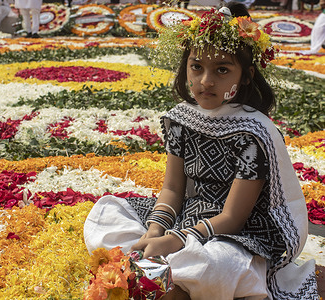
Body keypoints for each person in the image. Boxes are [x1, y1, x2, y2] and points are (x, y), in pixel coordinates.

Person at [83, 4, 319, 300]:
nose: (206, 81)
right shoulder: (182, 120)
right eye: (197, 67)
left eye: (222, 70)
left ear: (246, 76)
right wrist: (156, 231)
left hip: (233, 234)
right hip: (186, 216)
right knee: (106, 213)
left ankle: (174, 278)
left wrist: (177, 240)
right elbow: (171, 189)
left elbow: (233, 216)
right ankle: (170, 275)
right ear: (186, 68)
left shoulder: (252, 132)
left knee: (215, 266)